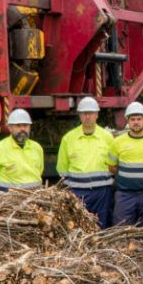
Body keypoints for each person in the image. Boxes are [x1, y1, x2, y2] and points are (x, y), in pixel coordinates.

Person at [57, 97, 115, 228]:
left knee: (102, 225)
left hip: (102, 192)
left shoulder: (107, 137)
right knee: (78, 225)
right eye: (84, 113)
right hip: (77, 192)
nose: (87, 116)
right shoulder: (69, 138)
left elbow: (114, 164)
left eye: (91, 113)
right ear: (79, 115)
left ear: (97, 115)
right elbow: (62, 168)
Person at [108, 102, 143, 227]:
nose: (136, 122)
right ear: (127, 121)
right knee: (121, 227)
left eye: (139, 119)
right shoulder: (117, 142)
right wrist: (127, 177)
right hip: (125, 194)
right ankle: (124, 247)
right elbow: (111, 166)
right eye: (132, 119)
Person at [0, 108, 44, 192]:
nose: (22, 129)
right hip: (9, 200)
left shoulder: (37, 148)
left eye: (25, 125)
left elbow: (39, 171)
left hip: (35, 197)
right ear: (10, 128)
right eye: (18, 126)